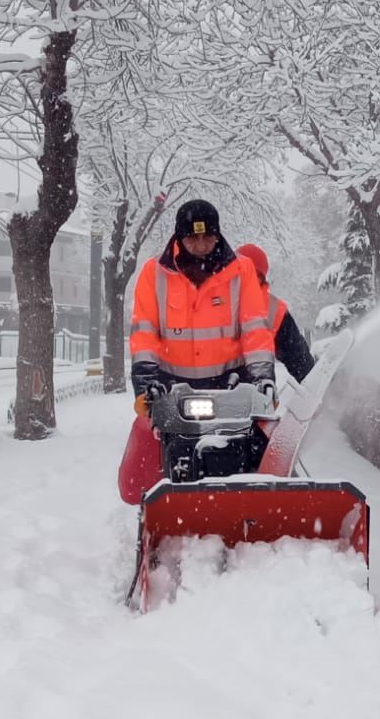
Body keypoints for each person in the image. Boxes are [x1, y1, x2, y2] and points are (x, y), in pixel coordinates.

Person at [117, 199, 277, 504]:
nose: (201, 245)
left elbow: (255, 330)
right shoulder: (155, 274)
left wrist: (263, 378)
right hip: (173, 388)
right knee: (176, 454)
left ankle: (241, 505)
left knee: (241, 448)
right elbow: (145, 332)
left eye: (207, 237)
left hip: (230, 383)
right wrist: (145, 382)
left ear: (218, 236)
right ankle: (175, 509)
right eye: (192, 238)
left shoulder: (241, 270)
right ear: (179, 238)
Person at [234, 244, 316, 383]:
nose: (246, 278)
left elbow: (296, 355)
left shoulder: (274, 310)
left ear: (262, 277)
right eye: (241, 272)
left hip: (257, 393)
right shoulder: (210, 301)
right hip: (209, 394)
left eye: (253, 274)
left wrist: (314, 382)